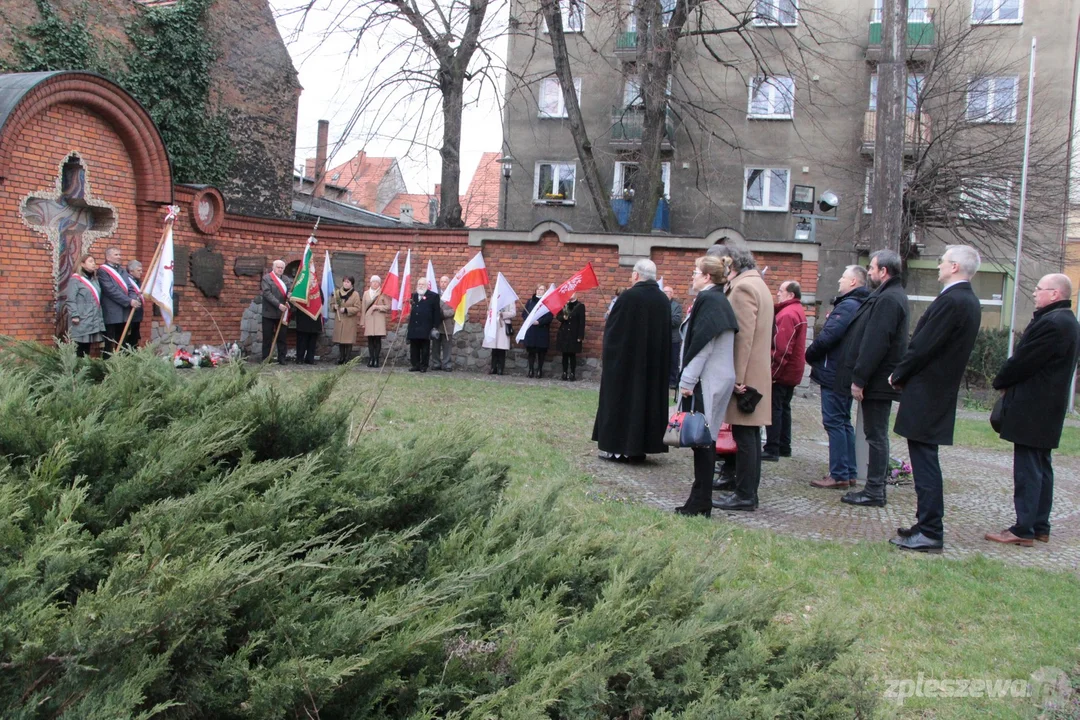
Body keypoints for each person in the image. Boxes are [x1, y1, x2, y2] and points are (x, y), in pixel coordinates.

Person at [887, 245, 982, 553]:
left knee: (925, 463)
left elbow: (923, 345)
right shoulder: (965, 300)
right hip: (935, 390)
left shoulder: (954, 300)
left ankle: (930, 530)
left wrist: (898, 373)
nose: (939, 265)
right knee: (925, 460)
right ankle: (925, 524)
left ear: (954, 267)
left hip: (929, 391)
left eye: (942, 261)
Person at [984, 273, 1080, 548]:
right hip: (1046, 406)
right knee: (1041, 465)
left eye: (1039, 289)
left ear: (1055, 294)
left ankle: (1023, 528)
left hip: (1034, 406)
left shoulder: (1053, 323)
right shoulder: (1066, 321)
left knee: (1028, 468)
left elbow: (1024, 360)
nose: (1035, 293)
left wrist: (1001, 380)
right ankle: (1040, 525)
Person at [833, 249, 909, 508]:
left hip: (877, 381)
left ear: (884, 271)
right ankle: (875, 489)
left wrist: (860, 378)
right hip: (877, 379)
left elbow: (876, 342)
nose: (870, 272)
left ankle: (875, 490)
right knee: (875, 434)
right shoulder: (889, 295)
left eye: (873, 268)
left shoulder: (889, 299)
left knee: (875, 435)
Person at [707, 243, 773, 512]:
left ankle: (745, 494)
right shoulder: (756, 283)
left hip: (747, 375)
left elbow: (742, 337)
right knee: (750, 436)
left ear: (730, 263)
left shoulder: (744, 287)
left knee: (746, 437)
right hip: (755, 372)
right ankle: (744, 490)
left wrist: (736, 376)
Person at [674, 255, 739, 517]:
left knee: (703, 440)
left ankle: (700, 503)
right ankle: (699, 500)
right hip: (714, 377)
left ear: (707, 277)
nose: (692, 276)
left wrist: (687, 380)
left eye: (695, 272)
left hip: (708, 379)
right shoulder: (716, 299)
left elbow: (703, 345)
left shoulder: (710, 300)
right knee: (704, 440)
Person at [592, 258, 671, 462]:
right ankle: (640, 447)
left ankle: (619, 449)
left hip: (626, 366)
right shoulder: (663, 300)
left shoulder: (628, 297)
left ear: (636, 275)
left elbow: (614, 333)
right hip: (653, 367)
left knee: (624, 403)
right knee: (645, 404)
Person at [805, 265, 870, 489]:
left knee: (834, 422)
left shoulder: (848, 306)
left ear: (853, 282)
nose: (839, 281)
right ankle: (848, 471)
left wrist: (810, 355)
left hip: (834, 371)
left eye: (843, 277)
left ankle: (839, 473)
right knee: (843, 422)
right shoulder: (859, 305)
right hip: (843, 371)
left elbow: (828, 336)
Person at [763, 280, 807, 461]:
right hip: (792, 371)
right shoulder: (797, 310)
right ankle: (783, 446)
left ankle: (772, 448)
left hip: (783, 372)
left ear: (790, 294)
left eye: (780, 290)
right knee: (784, 407)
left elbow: (782, 348)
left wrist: (773, 373)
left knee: (775, 408)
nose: (777, 293)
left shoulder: (788, 314)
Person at [98, 247, 141, 358]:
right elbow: (110, 291)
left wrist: (133, 299)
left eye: (119, 254)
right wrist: (129, 301)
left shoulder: (122, 270)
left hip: (125, 312)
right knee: (110, 343)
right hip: (112, 312)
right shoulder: (103, 271)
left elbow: (130, 288)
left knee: (122, 342)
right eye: (116, 255)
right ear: (108, 257)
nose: (119, 257)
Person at [67, 253, 105, 358]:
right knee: (79, 348)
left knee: (87, 349)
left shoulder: (94, 280)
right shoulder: (75, 279)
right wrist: (74, 315)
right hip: (81, 319)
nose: (94, 264)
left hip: (92, 318)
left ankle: (84, 370)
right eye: (90, 261)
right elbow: (70, 299)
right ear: (82, 264)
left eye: (94, 262)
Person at [407, 277, 441, 372]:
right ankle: (415, 365)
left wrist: (435, 326)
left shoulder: (433, 296)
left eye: (422, 284)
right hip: (414, 325)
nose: (420, 286)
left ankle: (424, 366)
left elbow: (436, 312)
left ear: (427, 286)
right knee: (414, 347)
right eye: (419, 284)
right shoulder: (413, 296)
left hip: (426, 326)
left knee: (425, 347)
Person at [261, 259, 291, 364]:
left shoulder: (286, 279)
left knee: (282, 337)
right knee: (267, 337)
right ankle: (266, 358)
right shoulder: (267, 278)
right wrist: (278, 305)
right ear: (274, 268)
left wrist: (289, 295)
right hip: (269, 313)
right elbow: (267, 294)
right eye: (278, 267)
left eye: (282, 268)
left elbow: (289, 290)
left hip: (281, 314)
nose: (280, 269)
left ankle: (282, 358)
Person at [522, 283, 553, 378]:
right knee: (531, 351)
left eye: (542, 289)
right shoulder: (530, 302)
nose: (539, 291)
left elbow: (549, 316)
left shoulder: (547, 303)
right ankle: (531, 370)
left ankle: (539, 370)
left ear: (545, 291)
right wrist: (530, 321)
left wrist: (539, 322)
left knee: (541, 352)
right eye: (538, 289)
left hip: (542, 330)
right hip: (531, 330)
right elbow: (524, 314)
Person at [331, 275, 362, 364]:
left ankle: (347, 358)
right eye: (344, 281)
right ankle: (341, 357)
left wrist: (346, 309)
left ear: (352, 284)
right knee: (341, 340)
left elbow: (357, 308)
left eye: (348, 282)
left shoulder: (355, 294)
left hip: (349, 320)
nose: (346, 283)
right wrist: (334, 307)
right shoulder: (337, 293)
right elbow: (332, 304)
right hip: (340, 320)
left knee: (348, 340)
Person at [556, 293, 586, 381]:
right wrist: (563, 318)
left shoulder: (580, 306)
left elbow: (582, 322)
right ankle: (564, 372)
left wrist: (580, 336)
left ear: (576, 294)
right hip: (564, 333)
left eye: (572, 293)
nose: (571, 295)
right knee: (564, 354)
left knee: (572, 354)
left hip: (574, 334)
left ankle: (572, 373)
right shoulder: (565, 305)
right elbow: (558, 316)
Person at [483, 296, 516, 375]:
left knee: (501, 348)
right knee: (494, 348)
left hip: (503, 324)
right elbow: (490, 310)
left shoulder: (509, 299)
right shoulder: (494, 298)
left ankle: (501, 368)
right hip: (494, 325)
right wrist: (490, 313)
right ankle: (493, 367)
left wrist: (503, 314)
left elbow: (513, 313)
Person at [362, 275, 390, 367]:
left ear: (379, 283)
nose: (375, 283)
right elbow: (363, 309)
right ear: (370, 283)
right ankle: (371, 358)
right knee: (370, 340)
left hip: (379, 320)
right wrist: (362, 322)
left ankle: (376, 359)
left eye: (377, 282)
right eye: (373, 281)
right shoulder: (366, 293)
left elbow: (388, 306)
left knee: (377, 340)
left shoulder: (383, 293)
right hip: (369, 319)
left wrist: (378, 307)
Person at [431, 275, 455, 371]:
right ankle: (436, 363)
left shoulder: (452, 295)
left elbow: (454, 310)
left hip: (447, 323)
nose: (443, 283)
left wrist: (443, 314)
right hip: (437, 324)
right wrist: (436, 314)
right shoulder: (435, 295)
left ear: (448, 283)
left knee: (447, 345)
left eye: (445, 282)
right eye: (441, 281)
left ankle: (447, 364)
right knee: (435, 345)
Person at [294, 291, 324, 365]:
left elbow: (321, 300)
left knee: (312, 339)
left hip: (314, 316)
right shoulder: (302, 284)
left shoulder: (317, 287)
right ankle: (299, 358)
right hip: (303, 316)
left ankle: (310, 358)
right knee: (302, 339)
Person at [665, 285, 683, 389]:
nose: (665, 294)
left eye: (667, 292)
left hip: (673, 339)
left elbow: (676, 321)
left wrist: (663, 319)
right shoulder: (660, 304)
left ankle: (672, 381)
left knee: (673, 361)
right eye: (664, 292)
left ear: (672, 294)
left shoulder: (676, 306)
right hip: (662, 338)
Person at [123, 259, 144, 351]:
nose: (141, 272)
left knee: (134, 340)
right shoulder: (126, 281)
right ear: (131, 271)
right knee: (127, 340)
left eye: (141, 270)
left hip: (137, 316)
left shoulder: (138, 281)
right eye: (138, 270)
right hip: (129, 315)